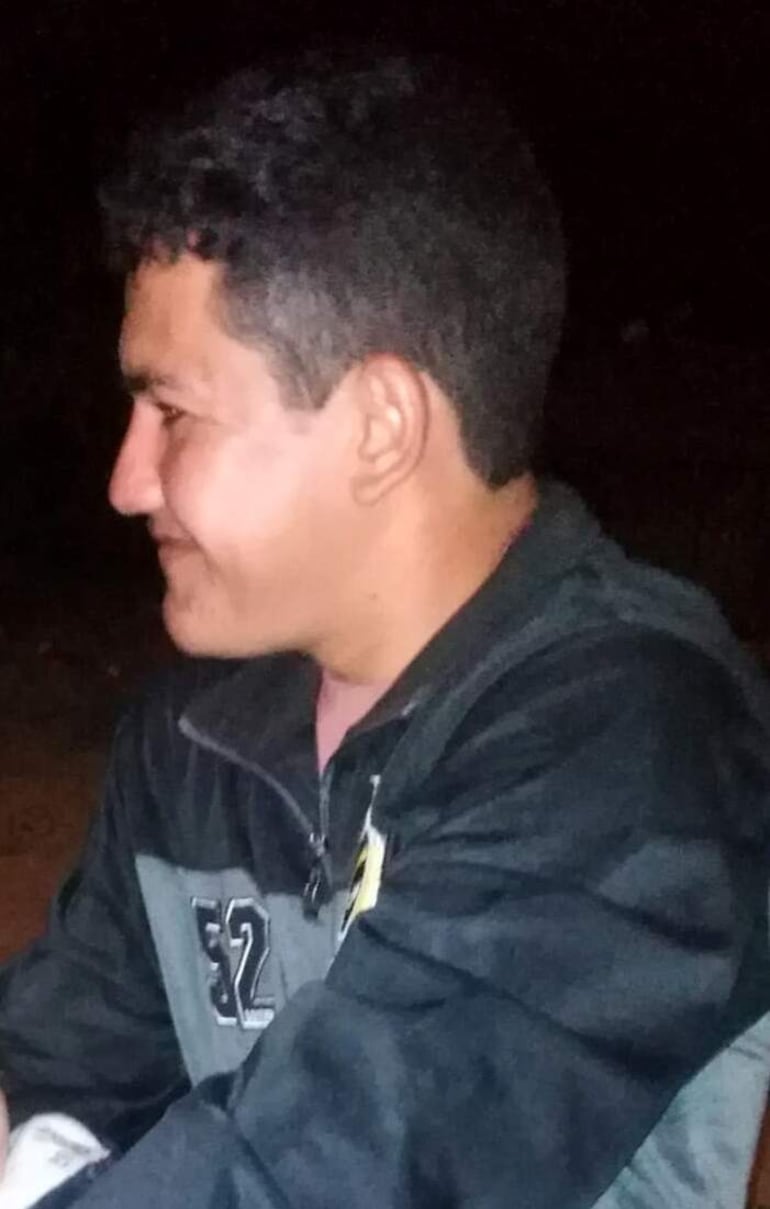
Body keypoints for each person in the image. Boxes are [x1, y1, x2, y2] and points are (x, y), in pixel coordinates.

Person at [1, 50, 769, 1209]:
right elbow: (56, 1071)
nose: (125, 481)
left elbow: (341, 1177)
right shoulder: (194, 739)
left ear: (378, 425)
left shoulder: (632, 744)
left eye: (172, 412)